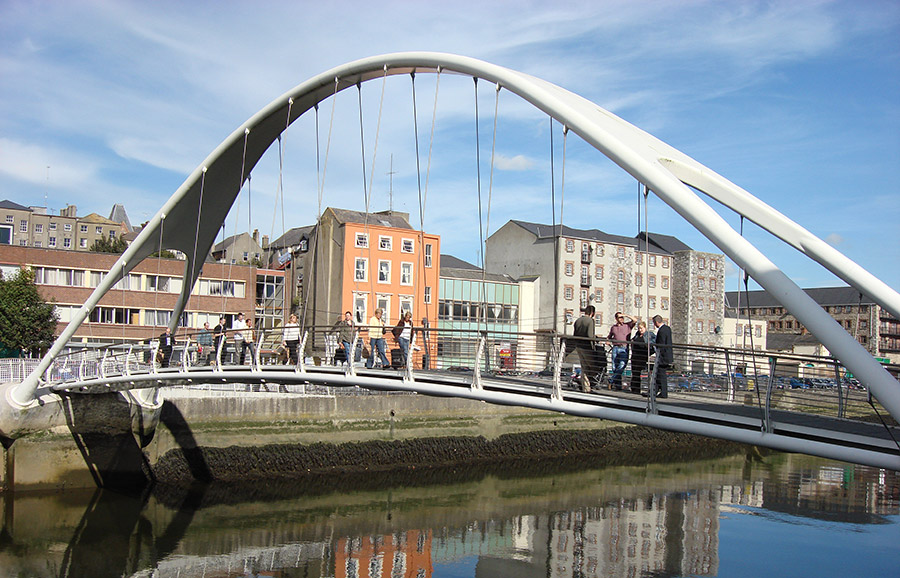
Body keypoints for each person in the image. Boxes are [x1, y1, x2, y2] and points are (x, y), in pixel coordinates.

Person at [572, 305, 602, 392]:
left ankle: (586, 387)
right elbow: (590, 335)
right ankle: (589, 385)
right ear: (592, 313)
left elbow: (575, 334)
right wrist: (594, 341)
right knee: (592, 367)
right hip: (586, 347)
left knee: (584, 367)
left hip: (578, 346)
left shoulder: (577, 321)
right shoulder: (590, 321)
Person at [607, 312, 636, 390]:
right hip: (615, 347)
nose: (622, 319)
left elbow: (635, 320)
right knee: (614, 367)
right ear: (616, 318)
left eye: (622, 317)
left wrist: (626, 315)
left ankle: (611, 380)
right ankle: (618, 386)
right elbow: (609, 336)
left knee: (622, 365)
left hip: (624, 348)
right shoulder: (613, 327)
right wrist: (608, 340)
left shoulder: (627, 326)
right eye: (620, 317)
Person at [651, 315, 672, 399]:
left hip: (663, 356)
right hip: (667, 355)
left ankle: (663, 393)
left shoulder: (662, 331)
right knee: (659, 374)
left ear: (656, 322)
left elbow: (661, 344)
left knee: (661, 374)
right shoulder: (667, 328)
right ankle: (655, 391)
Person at [628, 321, 651, 394]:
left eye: (641, 328)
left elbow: (652, 345)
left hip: (642, 356)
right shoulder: (637, 335)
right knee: (634, 372)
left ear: (645, 328)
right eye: (639, 328)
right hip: (635, 355)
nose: (640, 330)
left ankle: (637, 389)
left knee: (638, 372)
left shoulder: (648, 335)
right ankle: (634, 388)